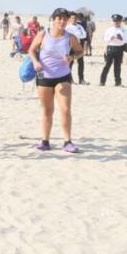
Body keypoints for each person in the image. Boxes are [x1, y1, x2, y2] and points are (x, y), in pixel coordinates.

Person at [29, 8, 84, 152]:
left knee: (65, 109)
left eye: (64, 19)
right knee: (48, 110)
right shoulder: (43, 34)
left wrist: (72, 57)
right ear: (53, 20)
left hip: (63, 76)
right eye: (59, 18)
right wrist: (35, 62)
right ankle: (45, 141)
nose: (62, 21)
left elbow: (80, 51)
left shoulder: (70, 37)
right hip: (44, 77)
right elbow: (31, 50)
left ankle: (67, 142)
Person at [100, 14, 127, 86]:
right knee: (107, 66)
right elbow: (105, 39)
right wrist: (110, 38)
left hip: (119, 48)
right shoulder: (109, 29)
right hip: (110, 48)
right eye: (115, 21)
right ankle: (102, 81)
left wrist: (121, 38)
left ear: (120, 21)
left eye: (118, 21)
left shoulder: (124, 29)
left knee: (117, 66)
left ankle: (118, 82)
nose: (116, 23)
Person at [65, 14, 89, 84]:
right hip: (71, 46)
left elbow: (84, 34)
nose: (74, 20)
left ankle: (81, 79)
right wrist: (77, 36)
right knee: (70, 63)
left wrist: (77, 36)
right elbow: (69, 36)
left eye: (75, 18)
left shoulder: (80, 26)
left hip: (80, 46)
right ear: (70, 19)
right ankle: (70, 79)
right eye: (72, 18)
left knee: (81, 62)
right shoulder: (68, 27)